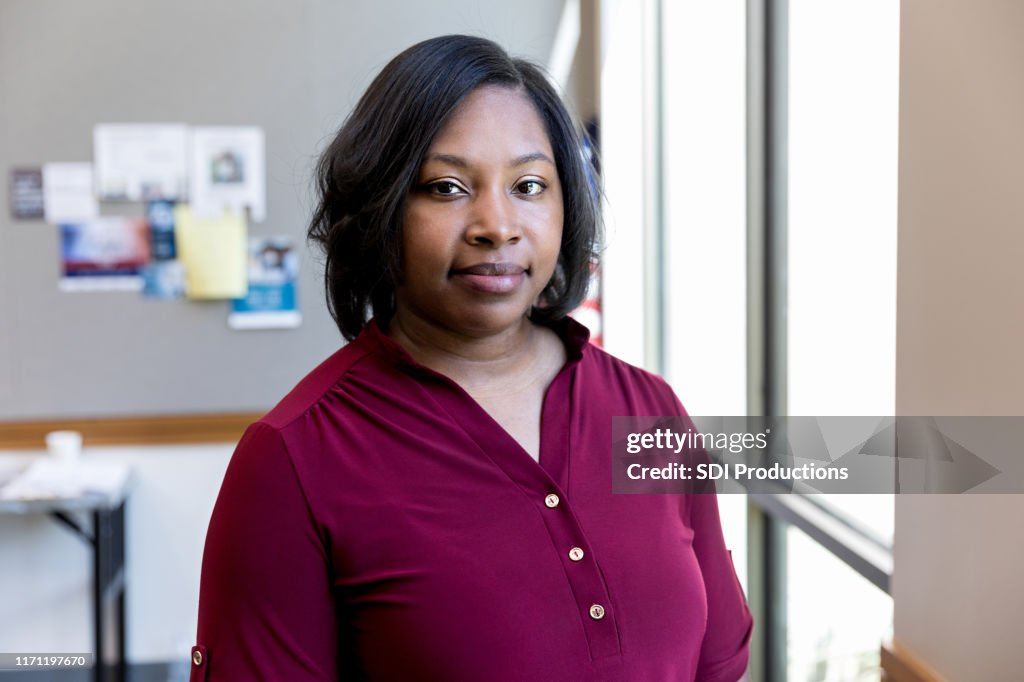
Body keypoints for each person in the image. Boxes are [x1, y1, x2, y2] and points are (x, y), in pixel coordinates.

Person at [192, 34, 752, 681]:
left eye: (530, 184)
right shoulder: (294, 459)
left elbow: (716, 662)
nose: (497, 224)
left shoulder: (651, 411)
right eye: (448, 187)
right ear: (382, 206)